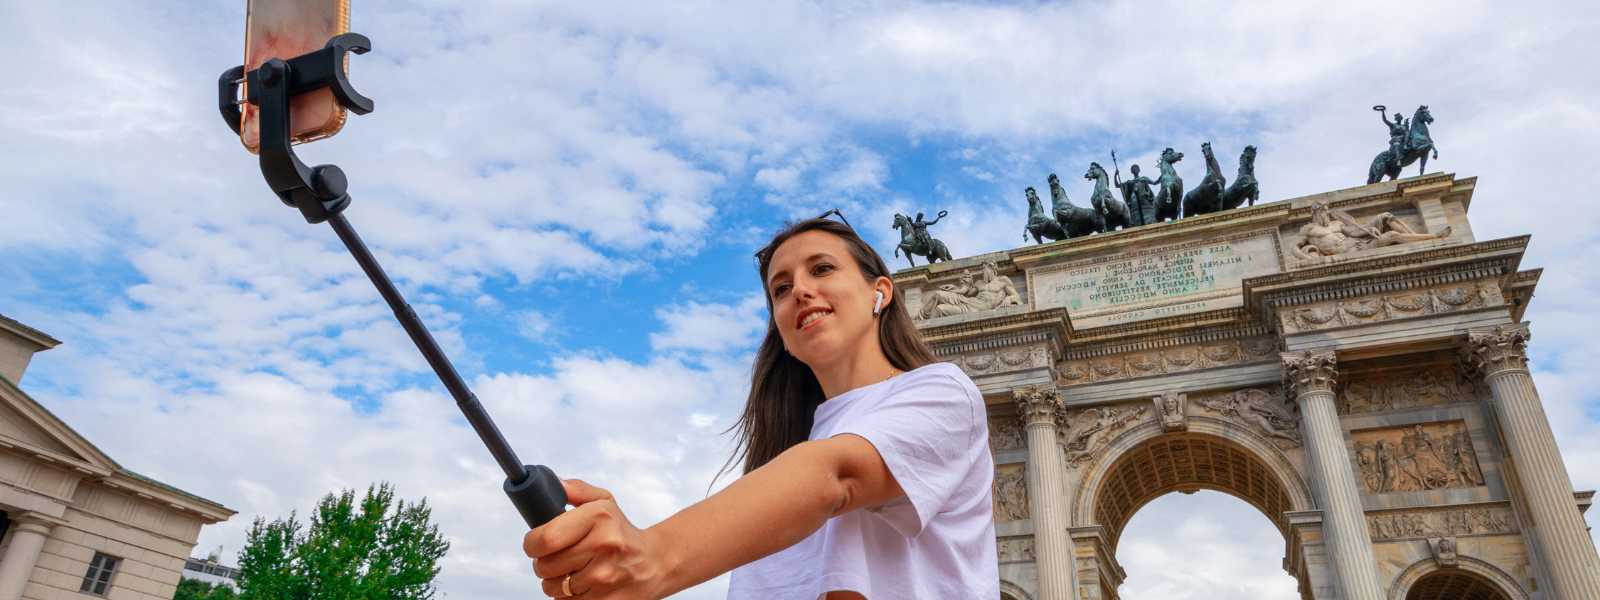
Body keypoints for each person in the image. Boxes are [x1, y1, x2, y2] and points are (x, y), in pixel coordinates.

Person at [522, 215, 999, 600]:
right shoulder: (776, 477)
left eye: (822, 269)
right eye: (781, 289)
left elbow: (836, 475)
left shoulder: (944, 391)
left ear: (881, 291)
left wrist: (652, 556)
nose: (800, 291)